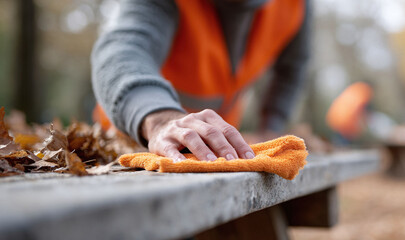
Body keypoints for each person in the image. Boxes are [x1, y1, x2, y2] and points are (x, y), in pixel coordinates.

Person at [91, 0, 311, 162]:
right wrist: (158, 120)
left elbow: (292, 69)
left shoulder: (294, 5)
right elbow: (122, 51)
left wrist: (271, 127)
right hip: (131, 140)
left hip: (217, 151)